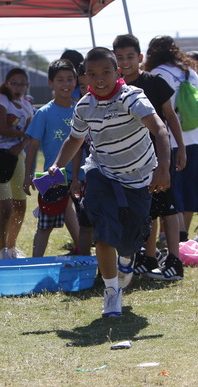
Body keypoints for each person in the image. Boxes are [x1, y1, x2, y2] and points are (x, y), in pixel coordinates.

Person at [50, 47, 171, 317]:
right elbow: (75, 139)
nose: (100, 78)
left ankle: (127, 260)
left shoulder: (132, 97)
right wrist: (56, 165)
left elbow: (159, 129)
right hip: (101, 172)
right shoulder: (84, 105)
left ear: (118, 72)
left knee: (129, 241)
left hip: (138, 177)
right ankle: (111, 292)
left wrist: (163, 166)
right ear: (85, 77)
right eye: (92, 74)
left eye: (106, 72)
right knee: (103, 233)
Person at [113, 34, 186, 281]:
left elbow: (171, 117)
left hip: (160, 156)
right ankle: (149, 257)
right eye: (120, 57)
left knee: (167, 207)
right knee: (147, 209)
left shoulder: (154, 82)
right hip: (133, 160)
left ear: (140, 58)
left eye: (130, 57)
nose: (125, 62)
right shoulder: (115, 87)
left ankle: (174, 260)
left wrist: (181, 148)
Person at [144, 35, 198, 255]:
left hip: (173, 141)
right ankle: (183, 237)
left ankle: (180, 235)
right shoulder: (190, 71)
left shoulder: (158, 73)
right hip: (195, 137)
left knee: (172, 191)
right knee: (191, 188)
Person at [23, 59, 81, 257]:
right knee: (45, 224)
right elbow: (32, 148)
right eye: (60, 80)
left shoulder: (81, 109)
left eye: (70, 79)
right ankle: (35, 263)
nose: (66, 84)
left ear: (76, 81)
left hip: (82, 175)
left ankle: (85, 258)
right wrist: (28, 175)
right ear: (51, 83)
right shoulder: (44, 113)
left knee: (84, 222)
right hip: (55, 177)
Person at [0, 68, 33, 259]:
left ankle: (12, 247)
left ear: (27, 86)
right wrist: (25, 135)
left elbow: (31, 134)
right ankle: (2, 249)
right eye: (14, 82)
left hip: (17, 156)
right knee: (6, 207)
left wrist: (22, 143)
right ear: (6, 84)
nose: (18, 87)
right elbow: (3, 128)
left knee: (20, 205)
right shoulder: (0, 100)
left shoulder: (28, 106)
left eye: (22, 83)